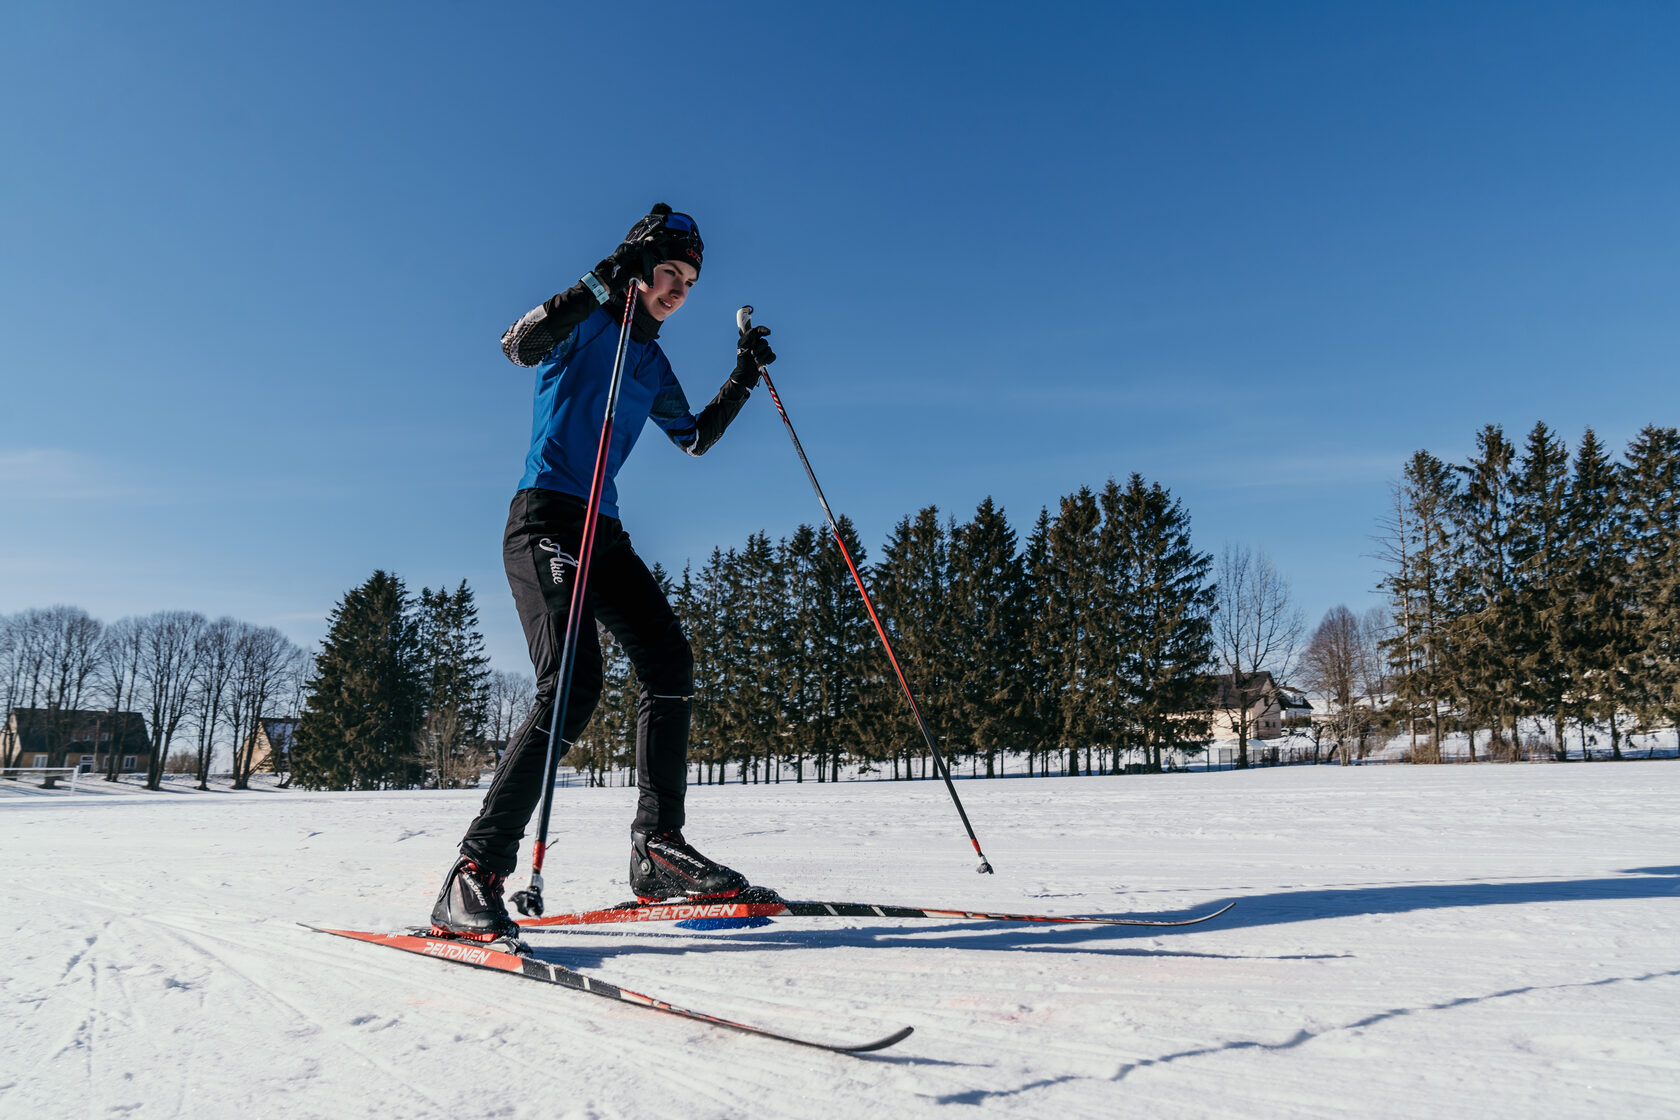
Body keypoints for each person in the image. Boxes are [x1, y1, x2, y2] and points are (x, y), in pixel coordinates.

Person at [430, 204, 776, 942]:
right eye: (668, 273)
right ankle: (472, 872)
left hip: (604, 531)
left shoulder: (651, 363)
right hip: (545, 521)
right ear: (639, 268)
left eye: (689, 282)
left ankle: (657, 850)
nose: (678, 290)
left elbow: (693, 438)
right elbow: (518, 343)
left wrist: (744, 376)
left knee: (669, 660)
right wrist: (600, 279)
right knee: (573, 683)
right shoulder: (586, 321)